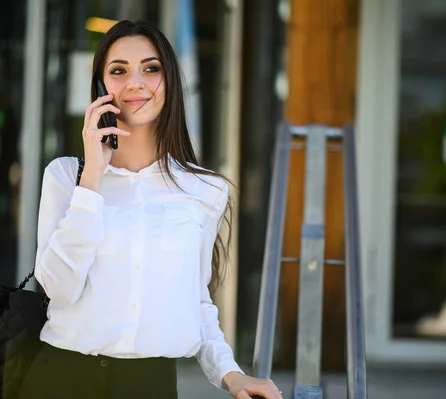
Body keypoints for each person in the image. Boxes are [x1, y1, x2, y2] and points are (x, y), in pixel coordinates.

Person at [17, 20, 283, 399]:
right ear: (100, 88)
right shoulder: (65, 176)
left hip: (150, 385)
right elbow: (58, 288)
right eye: (118, 71)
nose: (135, 82)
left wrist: (231, 374)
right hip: (60, 378)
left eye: (151, 68)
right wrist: (92, 175)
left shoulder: (205, 190)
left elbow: (196, 301)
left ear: (170, 81)